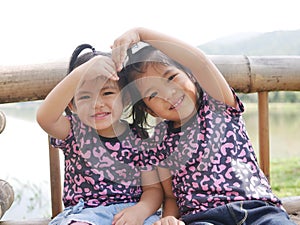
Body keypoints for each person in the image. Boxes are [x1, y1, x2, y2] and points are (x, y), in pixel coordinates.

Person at [111, 27, 297, 225]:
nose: (168, 93)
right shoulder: (159, 139)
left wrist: (141, 34)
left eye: (171, 78)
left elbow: (200, 62)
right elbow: (171, 196)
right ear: (150, 110)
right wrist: (169, 219)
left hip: (258, 209)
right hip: (203, 217)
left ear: (191, 75)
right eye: (153, 94)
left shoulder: (218, 105)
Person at [36, 44, 163, 225]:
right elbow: (44, 117)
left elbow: (153, 189)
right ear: (73, 105)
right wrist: (83, 71)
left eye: (108, 93)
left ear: (126, 98)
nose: (97, 104)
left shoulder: (138, 137)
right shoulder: (74, 130)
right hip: (85, 214)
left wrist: (139, 211)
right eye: (85, 96)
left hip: (130, 211)